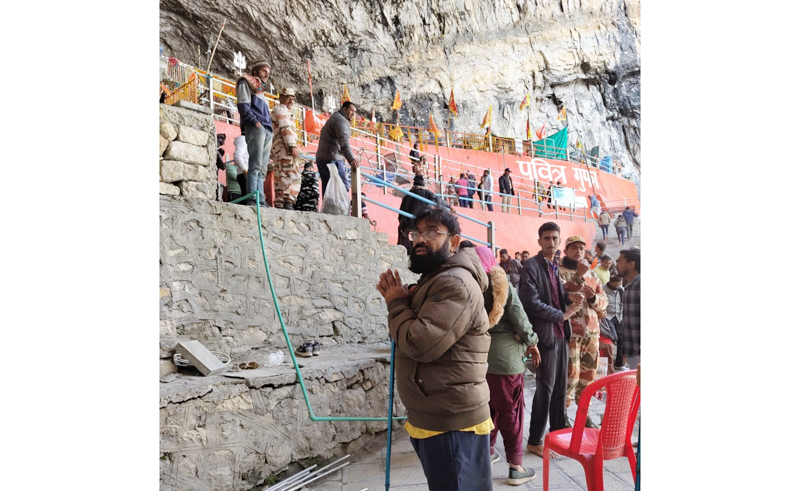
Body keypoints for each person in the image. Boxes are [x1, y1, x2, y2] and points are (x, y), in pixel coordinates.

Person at [377, 207, 494, 489]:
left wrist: (396, 303)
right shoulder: (435, 279)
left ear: (453, 242)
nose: (420, 239)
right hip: (437, 414)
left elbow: (419, 343)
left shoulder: (455, 283)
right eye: (416, 233)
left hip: (451, 422)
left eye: (431, 232)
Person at [472, 246, 539, 486]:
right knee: (512, 412)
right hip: (505, 360)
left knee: (487, 408)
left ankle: (488, 452)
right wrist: (532, 340)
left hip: (478, 357)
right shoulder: (501, 285)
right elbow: (519, 317)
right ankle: (516, 466)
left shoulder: (467, 285)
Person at [517, 222, 583, 457]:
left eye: (555, 238)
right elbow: (530, 302)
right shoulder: (531, 266)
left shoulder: (554, 264)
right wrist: (561, 315)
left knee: (560, 387)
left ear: (559, 241)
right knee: (545, 388)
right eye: (546, 238)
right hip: (545, 336)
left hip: (561, 334)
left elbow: (555, 295)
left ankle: (557, 433)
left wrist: (568, 296)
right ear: (539, 241)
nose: (551, 242)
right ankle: (535, 440)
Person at [557, 236, 608, 428]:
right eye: (573, 248)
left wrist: (593, 297)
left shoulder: (593, 275)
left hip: (592, 333)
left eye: (581, 248)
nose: (578, 251)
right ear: (566, 251)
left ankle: (584, 415)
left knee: (589, 377)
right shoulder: (559, 272)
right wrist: (578, 276)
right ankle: (562, 415)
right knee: (570, 375)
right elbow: (562, 296)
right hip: (571, 333)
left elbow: (604, 302)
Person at [236, 60, 274, 207]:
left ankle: (260, 198)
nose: (266, 75)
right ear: (255, 71)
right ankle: (253, 197)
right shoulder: (245, 81)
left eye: (268, 72)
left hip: (266, 129)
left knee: (263, 168)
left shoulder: (261, 90)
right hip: (256, 127)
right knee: (255, 164)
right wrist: (255, 123)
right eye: (264, 71)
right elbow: (243, 105)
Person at [317, 101, 360, 198]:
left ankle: (328, 207)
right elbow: (344, 142)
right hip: (332, 159)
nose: (353, 114)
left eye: (355, 112)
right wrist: (351, 159)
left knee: (328, 188)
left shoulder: (335, 117)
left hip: (322, 158)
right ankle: (337, 207)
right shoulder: (341, 121)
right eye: (351, 111)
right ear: (344, 109)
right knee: (343, 186)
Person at [270, 88, 303, 210]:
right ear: (281, 98)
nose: (291, 100)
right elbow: (285, 128)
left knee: (280, 178)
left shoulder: (278, 110)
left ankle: (280, 204)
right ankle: (288, 202)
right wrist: (292, 145)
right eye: (288, 97)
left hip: (278, 150)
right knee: (294, 177)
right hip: (284, 149)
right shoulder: (282, 109)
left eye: (292, 98)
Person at [397, 175, 443, 254]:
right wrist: (450, 207)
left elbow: (401, 213)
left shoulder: (407, 196)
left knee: (409, 237)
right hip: (421, 223)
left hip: (408, 225)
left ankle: (407, 252)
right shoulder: (426, 193)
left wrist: (403, 225)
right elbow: (439, 201)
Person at [617, 249, 641, 369]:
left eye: (619, 261)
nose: (616, 265)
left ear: (631, 264)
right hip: (634, 351)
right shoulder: (630, 286)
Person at [602, 275, 624, 373]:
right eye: (617, 283)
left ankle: (619, 363)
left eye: (620, 283)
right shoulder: (603, 289)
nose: (619, 285)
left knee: (622, 339)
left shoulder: (621, 290)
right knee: (613, 337)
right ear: (611, 282)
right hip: (608, 316)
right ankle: (608, 362)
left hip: (618, 317)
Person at [233, 134, 249, 202]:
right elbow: (237, 155)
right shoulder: (243, 140)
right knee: (247, 198)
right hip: (244, 173)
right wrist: (245, 170)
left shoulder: (245, 140)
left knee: (246, 197)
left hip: (244, 172)